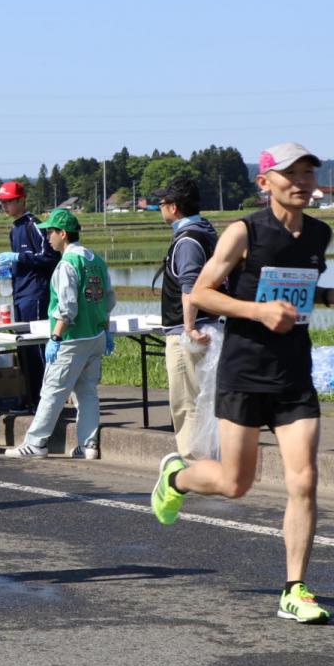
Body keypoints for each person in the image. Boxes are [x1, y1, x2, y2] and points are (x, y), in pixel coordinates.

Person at [151, 142, 334, 624]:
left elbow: (296, 287)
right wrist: (257, 311)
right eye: (291, 173)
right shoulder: (242, 231)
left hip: (293, 373)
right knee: (236, 483)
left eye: (309, 172)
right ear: (265, 181)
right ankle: (176, 477)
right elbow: (203, 290)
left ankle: (295, 589)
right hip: (244, 370)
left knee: (306, 479)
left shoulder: (319, 233)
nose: (302, 181)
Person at [5, 209, 113, 459]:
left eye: (51, 232)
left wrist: (55, 337)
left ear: (63, 234)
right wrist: (106, 331)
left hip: (72, 338)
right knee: (87, 392)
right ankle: (88, 445)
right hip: (95, 335)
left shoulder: (67, 264)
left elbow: (67, 307)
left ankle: (35, 443)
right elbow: (108, 299)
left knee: (52, 390)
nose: (48, 237)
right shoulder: (95, 259)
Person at [157, 176, 222, 458]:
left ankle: (194, 465)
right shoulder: (206, 232)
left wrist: (189, 328)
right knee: (205, 400)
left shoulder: (188, 240)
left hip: (191, 333)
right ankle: (209, 460)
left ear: (173, 207)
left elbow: (191, 288)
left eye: (161, 202)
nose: (159, 207)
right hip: (212, 324)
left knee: (187, 403)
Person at [0, 180, 59, 413]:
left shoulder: (34, 225)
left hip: (36, 294)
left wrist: (18, 258)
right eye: (2, 202)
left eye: (9, 201)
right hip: (20, 294)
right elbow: (22, 261)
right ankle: (31, 399)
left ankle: (45, 403)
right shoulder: (15, 228)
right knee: (23, 349)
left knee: (37, 350)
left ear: (22, 200)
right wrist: (7, 270)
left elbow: (51, 258)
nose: (5, 206)